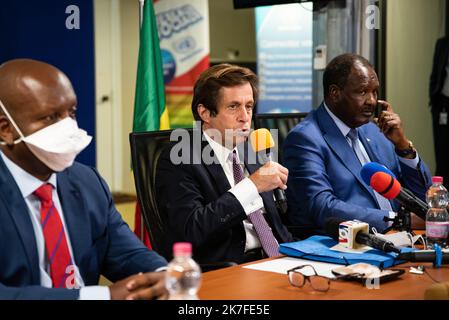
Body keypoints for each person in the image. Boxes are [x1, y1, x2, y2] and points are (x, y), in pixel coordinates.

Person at [0, 59, 168, 300]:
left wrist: (162, 275)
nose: (68, 127)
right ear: (6, 129)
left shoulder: (87, 181)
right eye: (50, 117)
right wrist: (99, 297)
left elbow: (126, 253)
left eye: (72, 113)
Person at [156, 64, 293, 264]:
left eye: (249, 106)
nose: (245, 118)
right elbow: (191, 230)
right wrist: (251, 186)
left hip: (280, 257)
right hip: (230, 267)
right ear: (205, 113)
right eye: (233, 106)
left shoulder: (251, 148)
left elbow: (279, 222)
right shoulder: (179, 158)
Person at [284, 53, 432, 236]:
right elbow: (321, 206)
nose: (371, 100)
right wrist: (399, 220)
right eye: (362, 92)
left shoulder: (373, 131)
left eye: (375, 91)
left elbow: (423, 196)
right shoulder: (305, 139)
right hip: (346, 246)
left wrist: (403, 147)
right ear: (335, 93)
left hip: (399, 239)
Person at [429, 36, 449, 185]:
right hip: (442, 104)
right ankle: (441, 194)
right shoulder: (442, 43)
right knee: (441, 154)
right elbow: (435, 74)